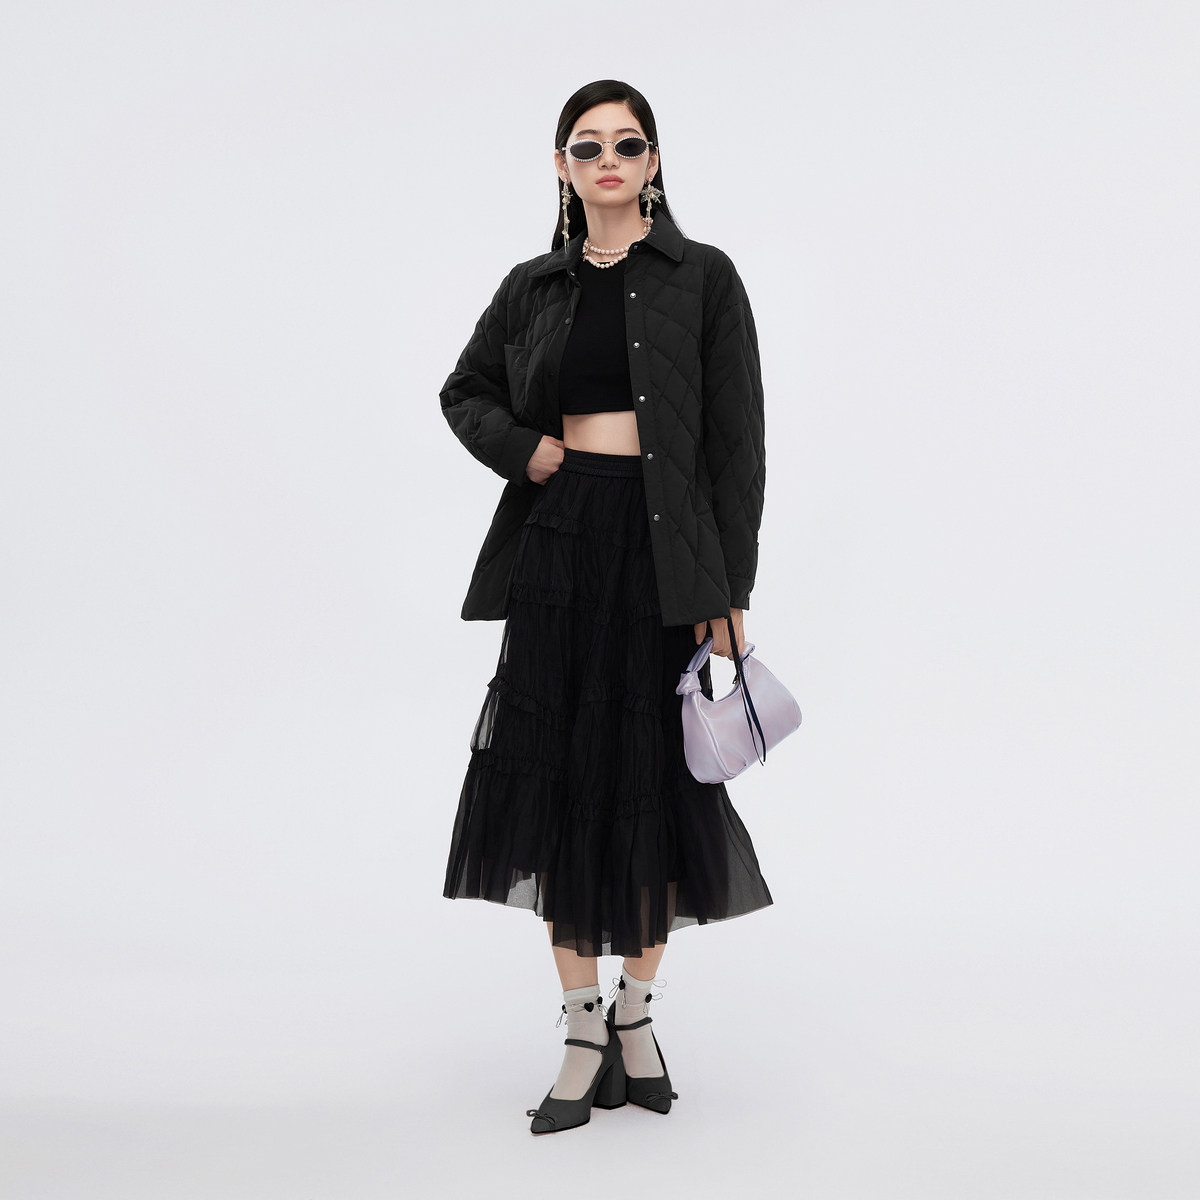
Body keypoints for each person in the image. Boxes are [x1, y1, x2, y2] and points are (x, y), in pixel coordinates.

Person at [439, 79, 773, 1135]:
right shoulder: (533, 286)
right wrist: (530, 451)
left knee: (653, 779)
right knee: (561, 778)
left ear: (654, 161)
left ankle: (637, 1013)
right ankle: (582, 1026)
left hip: (665, 553)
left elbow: (737, 448)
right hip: (561, 543)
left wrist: (728, 591)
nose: (610, 161)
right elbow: (463, 391)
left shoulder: (704, 277)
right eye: (588, 147)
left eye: (629, 144)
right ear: (562, 167)